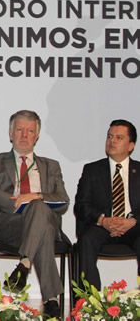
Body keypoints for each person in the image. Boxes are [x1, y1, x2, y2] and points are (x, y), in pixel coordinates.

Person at [0, 110, 69, 318]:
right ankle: (51, 300)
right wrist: (18, 202)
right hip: (8, 224)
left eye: (30, 131)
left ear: (37, 136)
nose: (24, 135)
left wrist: (34, 196)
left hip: (42, 222)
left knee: (38, 208)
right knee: (41, 223)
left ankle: (24, 263)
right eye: (19, 130)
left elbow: (62, 201)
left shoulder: (51, 165)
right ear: (10, 134)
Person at [74, 119, 139, 290]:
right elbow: (81, 205)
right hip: (102, 225)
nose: (112, 141)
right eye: (110, 137)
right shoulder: (92, 170)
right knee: (87, 240)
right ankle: (90, 301)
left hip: (133, 226)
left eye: (119, 137)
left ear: (131, 145)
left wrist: (132, 221)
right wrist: (103, 221)